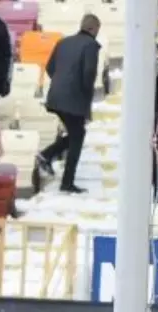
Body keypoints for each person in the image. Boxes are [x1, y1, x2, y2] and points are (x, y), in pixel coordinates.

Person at [36, 14, 101, 195]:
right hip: (75, 98)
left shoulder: (63, 42)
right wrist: (85, 93)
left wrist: (61, 82)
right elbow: (89, 73)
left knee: (76, 134)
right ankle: (66, 180)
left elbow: (50, 68)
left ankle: (47, 156)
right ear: (93, 29)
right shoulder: (91, 45)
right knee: (77, 136)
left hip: (56, 96)